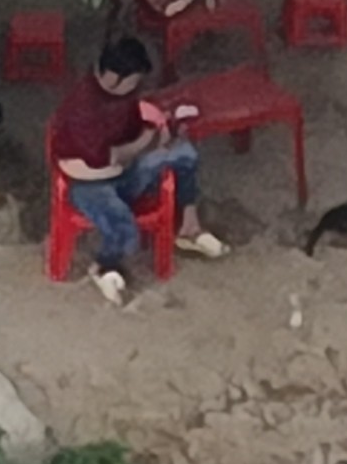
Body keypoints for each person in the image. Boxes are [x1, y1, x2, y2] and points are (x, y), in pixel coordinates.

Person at [50, 36, 227, 303]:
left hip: (122, 172)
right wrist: (147, 140)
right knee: (124, 226)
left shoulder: (123, 95)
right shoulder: (82, 108)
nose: (136, 87)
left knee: (184, 154)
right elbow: (109, 157)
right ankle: (104, 266)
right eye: (133, 81)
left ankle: (189, 228)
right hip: (88, 184)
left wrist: (161, 135)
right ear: (112, 78)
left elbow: (132, 133)